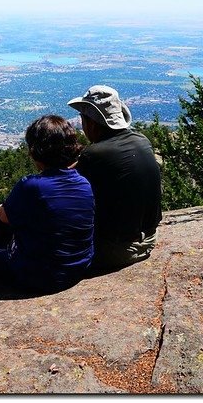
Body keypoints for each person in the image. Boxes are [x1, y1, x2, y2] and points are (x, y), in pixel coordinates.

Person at [0, 115, 95, 293]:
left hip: (41, 277)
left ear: (34, 152)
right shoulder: (83, 183)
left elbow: (1, 217)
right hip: (79, 267)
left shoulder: (32, 186)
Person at [67, 85, 162, 271]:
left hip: (115, 251)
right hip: (149, 240)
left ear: (92, 123)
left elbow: (62, 183)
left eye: (82, 119)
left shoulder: (95, 154)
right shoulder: (142, 140)